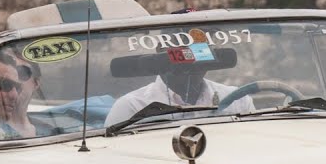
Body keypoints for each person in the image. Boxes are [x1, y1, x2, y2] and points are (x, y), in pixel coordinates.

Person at [104, 55, 254, 128]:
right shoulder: (131, 106)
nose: (191, 63)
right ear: (160, 56)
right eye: (180, 54)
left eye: (199, 52)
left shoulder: (237, 99)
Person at [0, 50, 46, 139]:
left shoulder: (47, 128)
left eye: (23, 73)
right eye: (5, 84)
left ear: (36, 83)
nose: (14, 94)